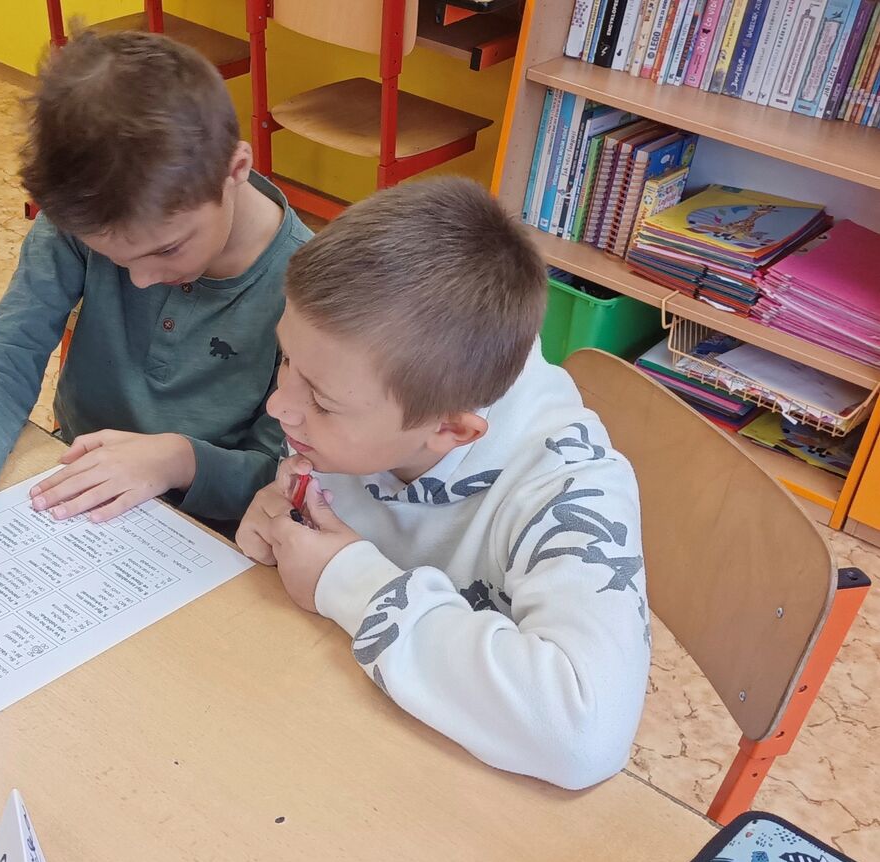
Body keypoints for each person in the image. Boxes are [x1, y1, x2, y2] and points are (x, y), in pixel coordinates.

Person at [238, 178, 650, 790]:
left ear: (451, 430)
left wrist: (346, 580)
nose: (279, 407)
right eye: (287, 359)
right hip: (344, 741)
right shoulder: (371, 384)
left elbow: (583, 735)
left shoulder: (570, 491)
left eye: (320, 401)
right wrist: (284, 521)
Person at [0, 30, 311, 590]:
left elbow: (289, 476)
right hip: (76, 488)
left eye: (167, 249)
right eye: (115, 259)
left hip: (217, 535)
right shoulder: (86, 218)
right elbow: (3, 359)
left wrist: (180, 460)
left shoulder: (313, 291)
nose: (141, 279)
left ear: (236, 168)